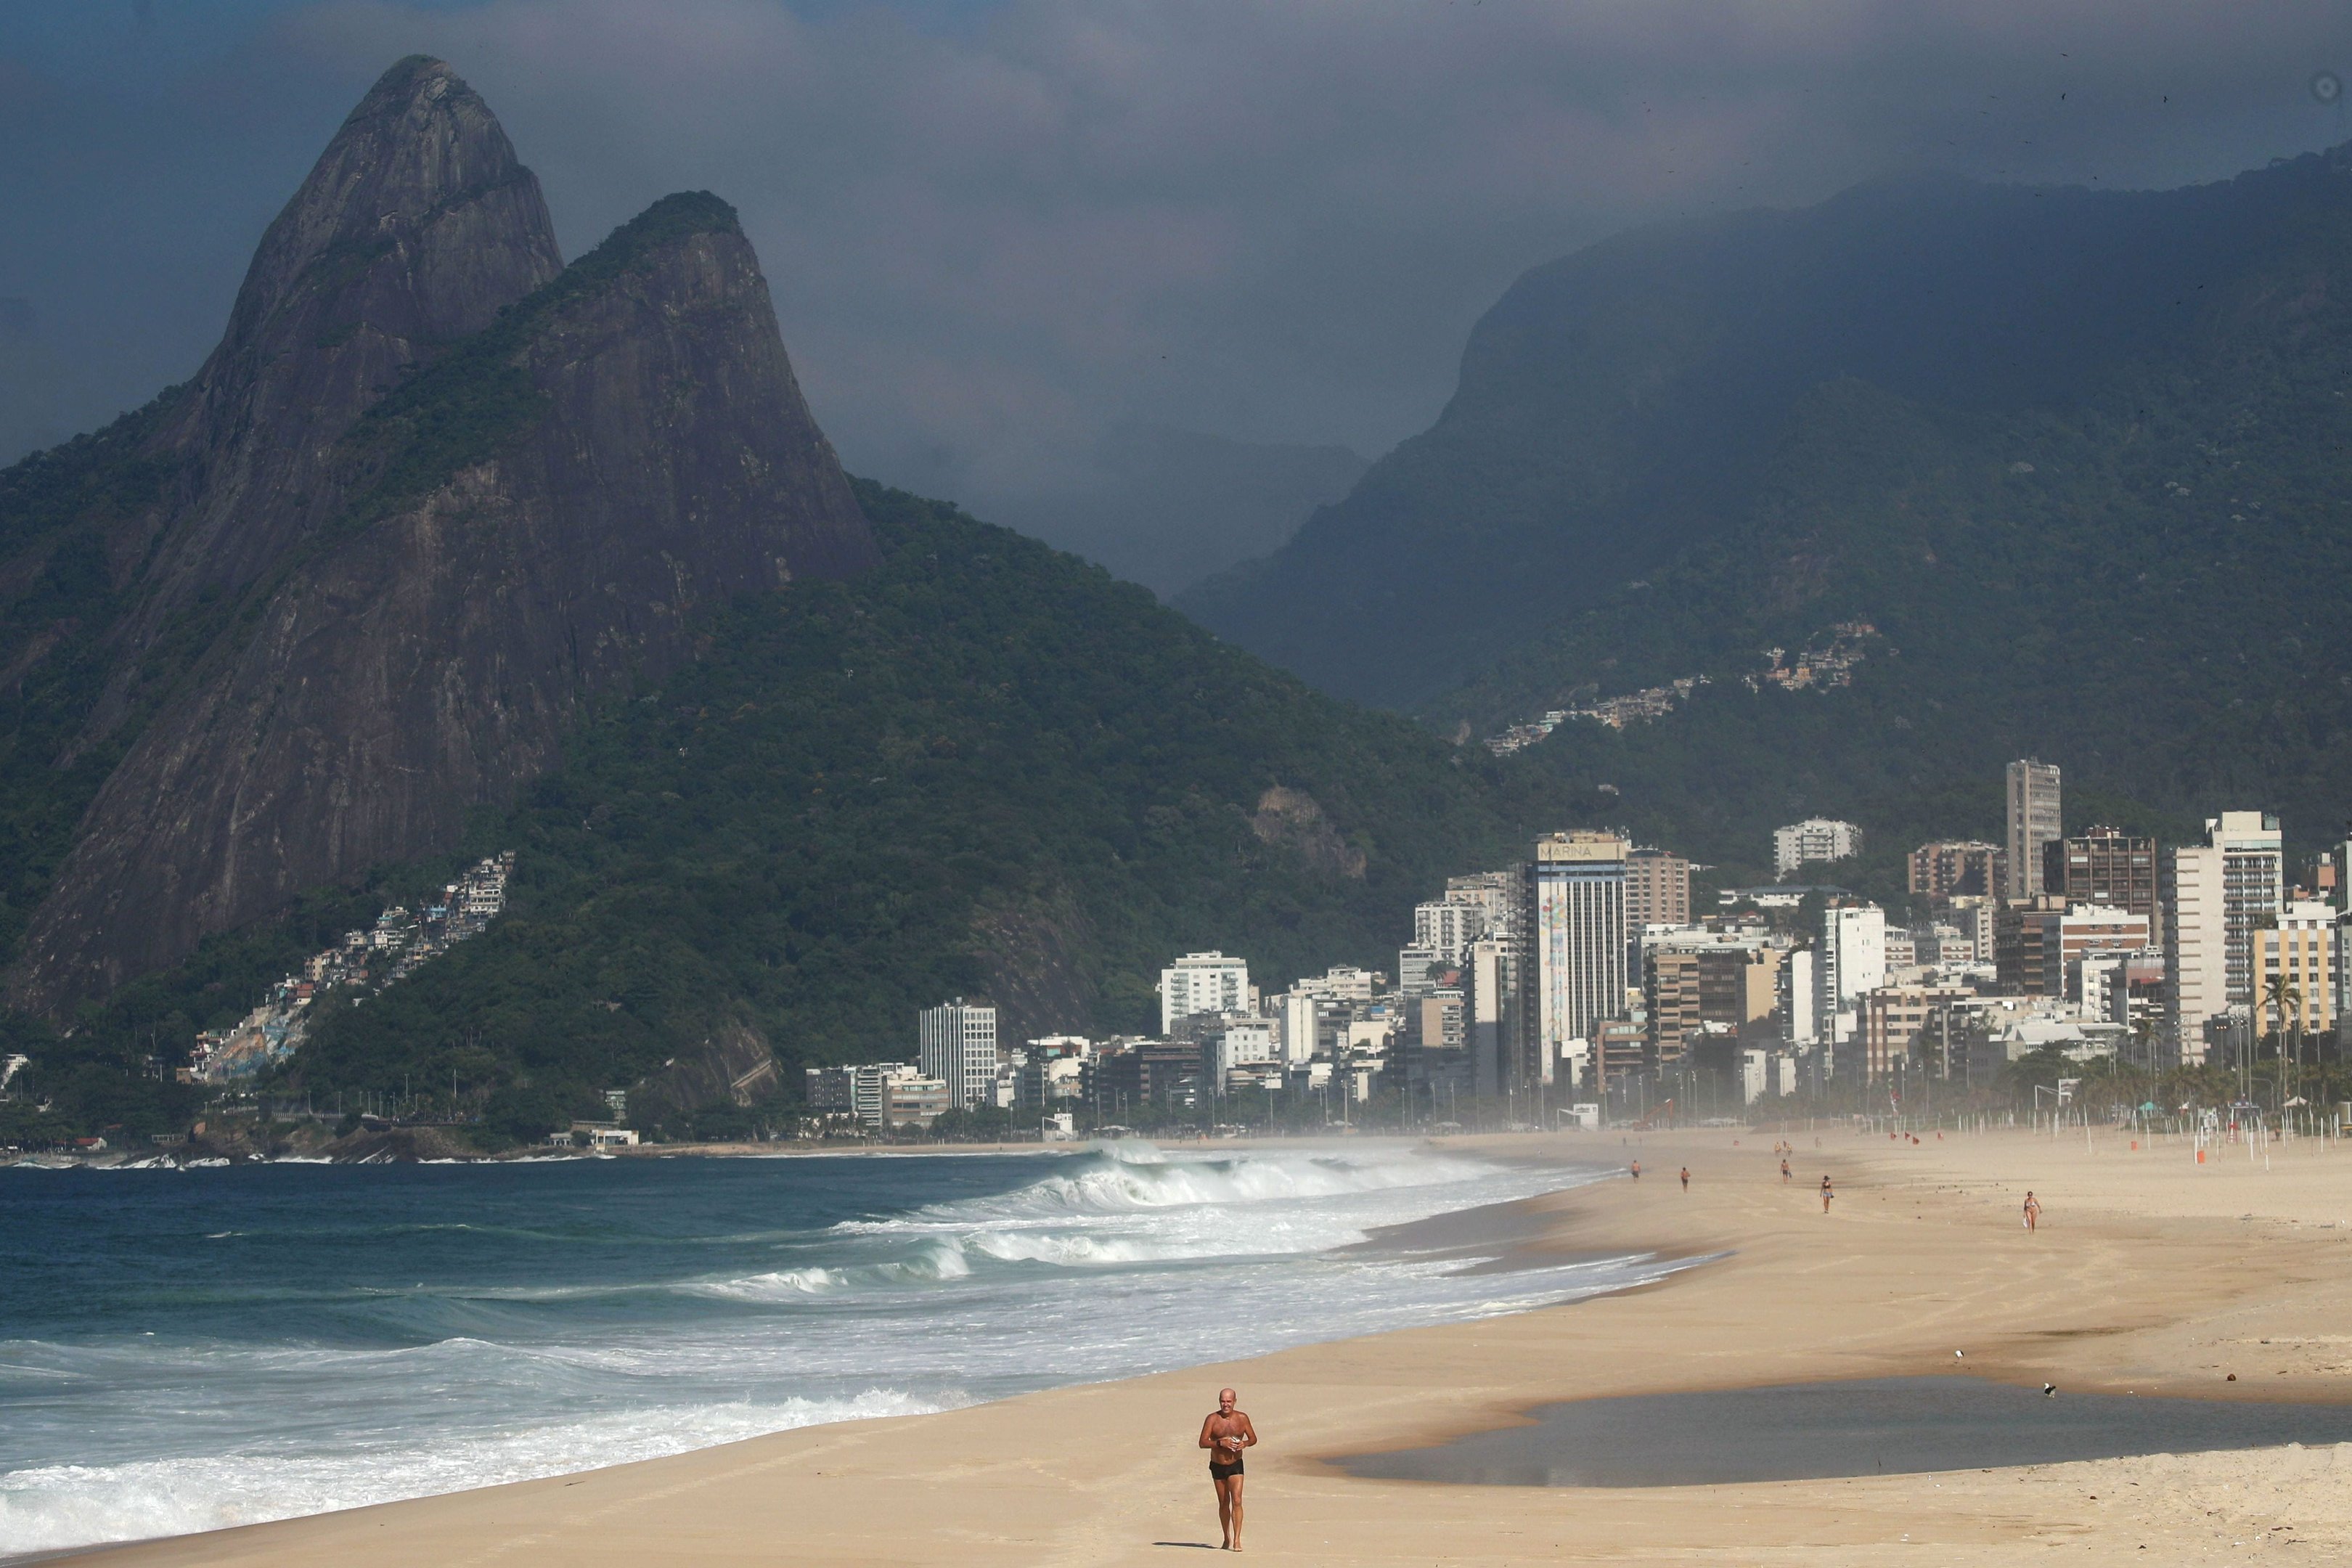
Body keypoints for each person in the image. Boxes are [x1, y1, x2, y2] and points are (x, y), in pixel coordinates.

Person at [1199, 1386, 1257, 1550]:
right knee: (1224, 1502)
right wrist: (1219, 1443)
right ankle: (1227, 1537)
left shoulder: (1242, 1418)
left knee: (1237, 1500)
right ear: (1219, 1402)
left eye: (1229, 1401)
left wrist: (1244, 1444)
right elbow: (1202, 1442)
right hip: (1218, 1465)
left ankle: (1237, 1539)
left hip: (1236, 1465)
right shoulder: (1212, 1419)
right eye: (1223, 1401)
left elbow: (1253, 1439)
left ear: (1235, 1402)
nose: (1226, 1405)